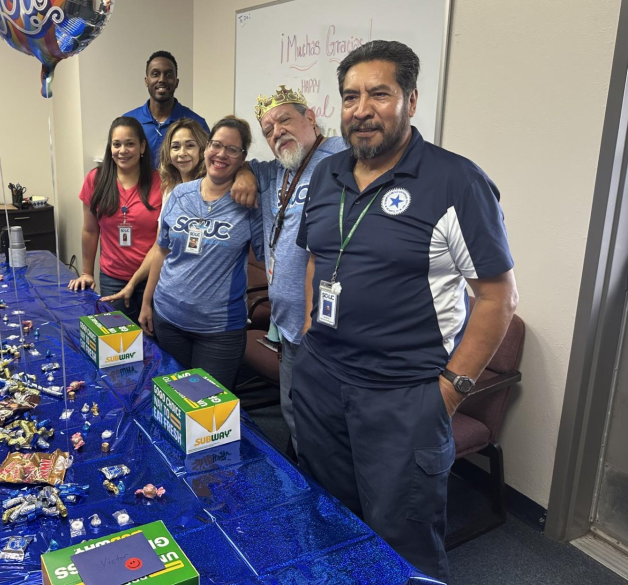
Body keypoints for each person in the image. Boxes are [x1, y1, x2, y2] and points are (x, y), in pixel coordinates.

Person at [293, 40, 519, 581]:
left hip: (402, 398)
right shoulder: (326, 175)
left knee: (404, 547)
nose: (361, 109)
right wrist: (307, 335)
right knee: (327, 520)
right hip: (323, 383)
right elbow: (316, 258)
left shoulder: (456, 182)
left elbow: (498, 296)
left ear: (411, 100)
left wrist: (448, 392)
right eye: (350, 96)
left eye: (379, 93)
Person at [229, 85, 347, 454]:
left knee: (328, 422)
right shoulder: (278, 170)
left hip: (328, 327)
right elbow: (237, 162)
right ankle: (304, 483)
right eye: (268, 129)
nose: (276, 131)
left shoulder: (341, 155)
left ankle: (330, 497)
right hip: (288, 322)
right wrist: (246, 173)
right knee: (293, 410)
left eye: (284, 120)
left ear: (310, 117)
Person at [138, 116, 262, 390]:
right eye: (216, 145)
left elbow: (268, 254)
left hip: (219, 331)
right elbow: (161, 251)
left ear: (243, 158)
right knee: (172, 397)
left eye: (233, 149)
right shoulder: (180, 194)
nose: (221, 154)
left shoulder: (249, 202)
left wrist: (249, 175)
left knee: (205, 410)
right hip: (168, 318)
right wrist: (147, 303)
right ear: (207, 148)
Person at [100, 118, 209, 311]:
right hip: (170, 290)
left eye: (190, 145)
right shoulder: (169, 190)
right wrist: (142, 297)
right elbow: (161, 248)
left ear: (203, 148)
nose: (182, 153)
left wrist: (245, 174)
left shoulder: (215, 187)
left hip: (205, 297)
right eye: (175, 147)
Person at [67, 117, 162, 323]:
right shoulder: (96, 179)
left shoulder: (161, 182)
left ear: (142, 146)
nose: (122, 150)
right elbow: (90, 231)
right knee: (119, 346)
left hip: (154, 278)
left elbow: (162, 241)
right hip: (113, 278)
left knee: (154, 344)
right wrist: (86, 272)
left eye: (130, 143)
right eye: (116, 144)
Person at [125, 51, 209, 167]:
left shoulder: (197, 123)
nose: (162, 80)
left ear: (176, 82)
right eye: (155, 74)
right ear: (146, 81)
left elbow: (210, 165)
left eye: (168, 75)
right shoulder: (128, 121)